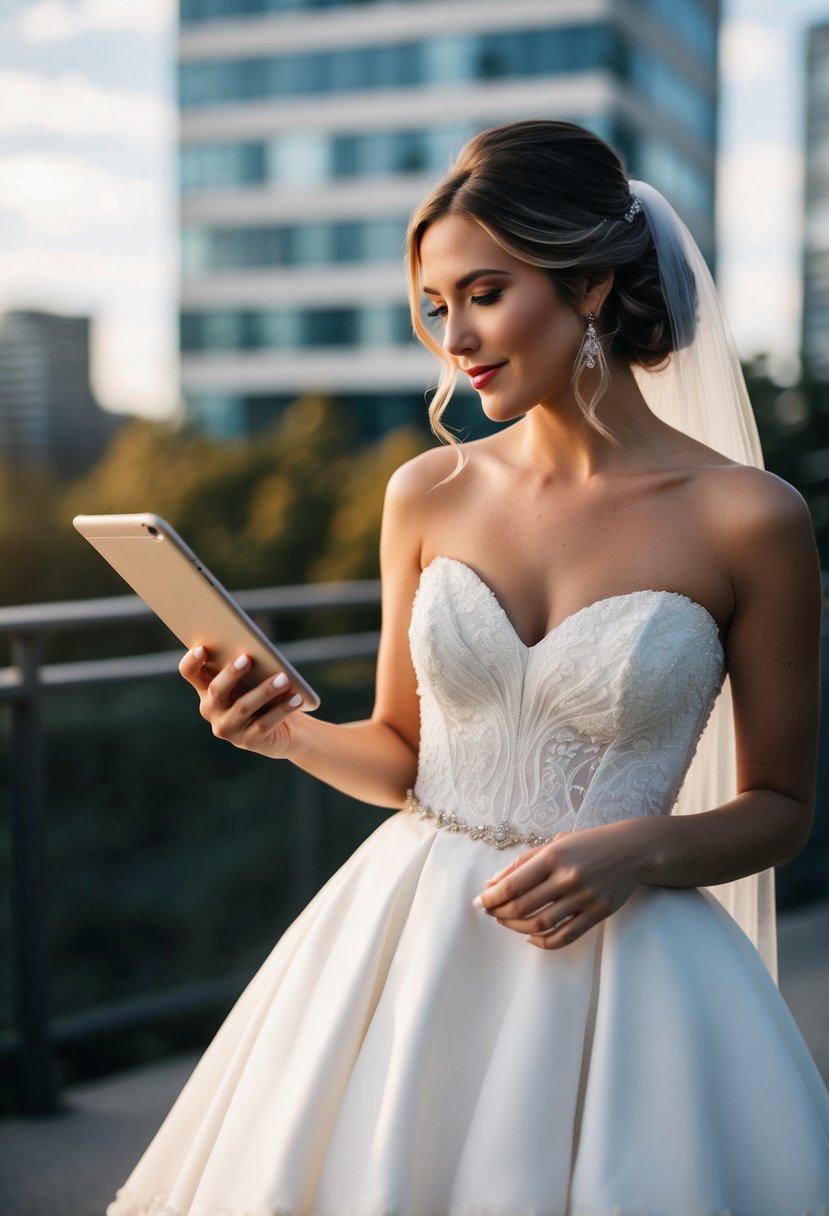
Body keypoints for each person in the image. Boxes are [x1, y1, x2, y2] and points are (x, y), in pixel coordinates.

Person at [108, 121, 829, 1216]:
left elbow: (778, 807)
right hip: (407, 946)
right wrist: (282, 729)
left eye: (484, 292)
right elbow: (404, 756)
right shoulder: (423, 495)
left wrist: (639, 847)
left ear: (588, 283)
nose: (456, 336)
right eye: (436, 306)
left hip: (632, 966)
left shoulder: (749, 518)